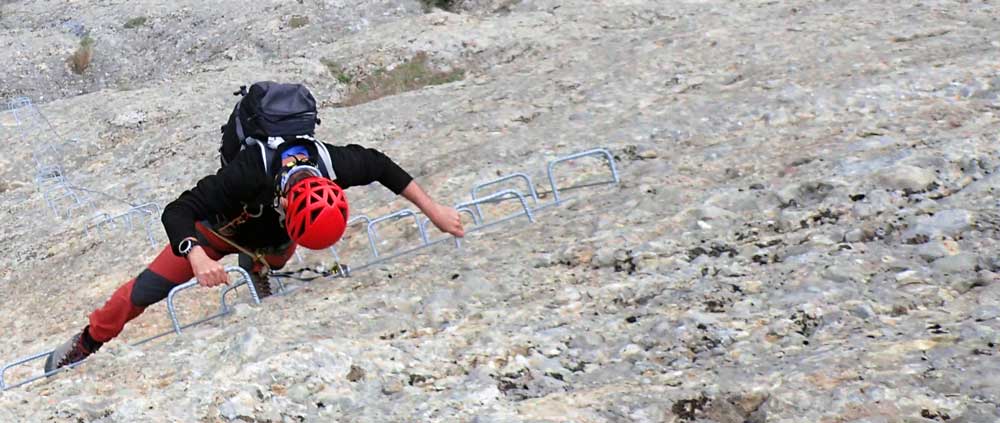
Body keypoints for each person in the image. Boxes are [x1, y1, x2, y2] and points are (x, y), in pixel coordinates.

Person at [44, 136, 465, 372]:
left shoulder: (335, 164)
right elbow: (178, 212)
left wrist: (435, 211)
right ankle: (87, 340)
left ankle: (259, 264)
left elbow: (382, 166)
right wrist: (196, 256)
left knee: (276, 255)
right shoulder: (248, 171)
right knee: (144, 291)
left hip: (271, 235)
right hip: (217, 231)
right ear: (285, 200)